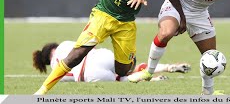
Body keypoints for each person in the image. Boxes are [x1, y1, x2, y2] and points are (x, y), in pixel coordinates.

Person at [34, 0, 186, 95]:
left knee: (123, 69)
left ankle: (134, 65)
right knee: (77, 55)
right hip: (103, 16)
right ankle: (41, 91)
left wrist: (182, 18)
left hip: (126, 24)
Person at [32, 41, 191, 82]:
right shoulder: (64, 44)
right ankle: (168, 67)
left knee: (124, 79)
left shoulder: (55, 72)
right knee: (129, 69)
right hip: (98, 56)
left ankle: (155, 81)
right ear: (53, 47)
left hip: (88, 74)